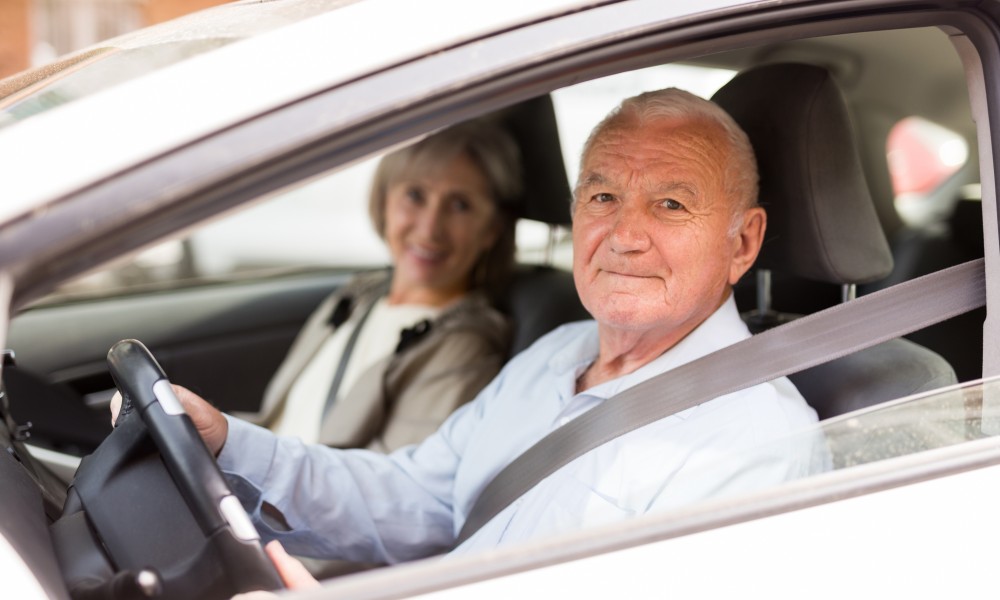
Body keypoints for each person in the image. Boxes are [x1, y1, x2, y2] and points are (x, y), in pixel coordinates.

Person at [122, 87, 820, 586]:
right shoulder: (556, 354)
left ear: (743, 241)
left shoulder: (756, 440)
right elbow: (416, 498)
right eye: (604, 197)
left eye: (671, 204)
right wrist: (231, 447)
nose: (626, 236)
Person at [239, 120, 521, 452]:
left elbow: (388, 488)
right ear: (384, 201)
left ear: (491, 230)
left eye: (460, 205)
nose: (430, 229)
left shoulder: (464, 346)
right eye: (415, 195)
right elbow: (278, 422)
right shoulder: (356, 296)